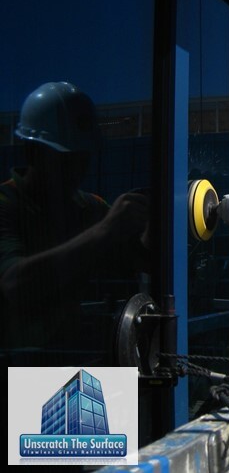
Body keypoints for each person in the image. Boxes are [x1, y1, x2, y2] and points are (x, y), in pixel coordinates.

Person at [0, 81, 150, 365]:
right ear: (33, 152)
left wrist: (151, 225)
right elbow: (15, 284)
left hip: (75, 360)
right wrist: (105, 231)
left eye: (83, 159)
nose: (77, 171)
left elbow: (138, 258)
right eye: (66, 160)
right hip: (16, 368)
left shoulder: (89, 207)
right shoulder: (6, 205)